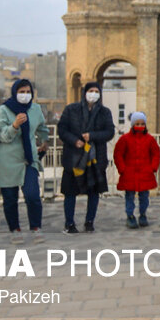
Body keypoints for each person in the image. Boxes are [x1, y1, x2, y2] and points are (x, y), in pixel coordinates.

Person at [0, 79, 49, 243]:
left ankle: (36, 227)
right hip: (7, 160)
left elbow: (42, 128)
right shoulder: (4, 110)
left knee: (32, 196)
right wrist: (15, 125)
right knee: (10, 199)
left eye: (28, 92)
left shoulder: (35, 109)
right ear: (14, 92)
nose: (25, 95)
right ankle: (15, 229)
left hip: (28, 159)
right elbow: (0, 134)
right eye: (21, 92)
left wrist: (44, 142)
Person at [57, 82, 114, 233]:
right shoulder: (71, 109)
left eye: (96, 91)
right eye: (91, 90)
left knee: (93, 192)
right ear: (84, 92)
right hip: (74, 158)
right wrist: (74, 141)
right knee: (70, 192)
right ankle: (69, 223)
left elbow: (109, 132)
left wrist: (92, 136)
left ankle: (90, 222)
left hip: (95, 158)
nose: (93, 94)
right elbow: (62, 129)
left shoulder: (105, 112)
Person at [113, 111, 159, 229]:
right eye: (137, 124)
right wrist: (122, 169)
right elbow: (118, 154)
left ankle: (143, 214)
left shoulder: (150, 139)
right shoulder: (125, 139)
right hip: (129, 173)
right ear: (133, 124)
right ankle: (130, 215)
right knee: (129, 196)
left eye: (142, 124)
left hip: (145, 173)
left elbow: (155, 154)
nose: (139, 126)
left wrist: (153, 167)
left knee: (144, 197)